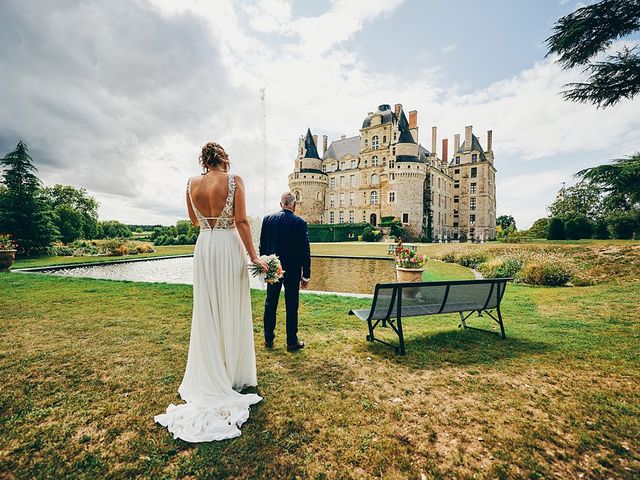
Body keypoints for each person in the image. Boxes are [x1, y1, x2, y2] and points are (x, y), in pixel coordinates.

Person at [155, 142, 268, 442]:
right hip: (228, 246)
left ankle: (213, 371)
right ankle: (231, 374)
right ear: (225, 158)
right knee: (231, 306)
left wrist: (209, 218)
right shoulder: (234, 181)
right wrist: (255, 258)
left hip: (205, 247)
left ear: (204, 160)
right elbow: (241, 221)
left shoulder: (191, 183)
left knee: (207, 309)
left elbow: (194, 221)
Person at [259, 192, 311, 352]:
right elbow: (305, 251)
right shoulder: (300, 222)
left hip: (273, 268)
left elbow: (262, 246)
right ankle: (291, 341)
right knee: (291, 305)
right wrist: (306, 275)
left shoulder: (268, 220)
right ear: (294, 205)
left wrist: (264, 265)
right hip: (293, 270)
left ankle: (268, 339)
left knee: (270, 303)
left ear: (281, 204)